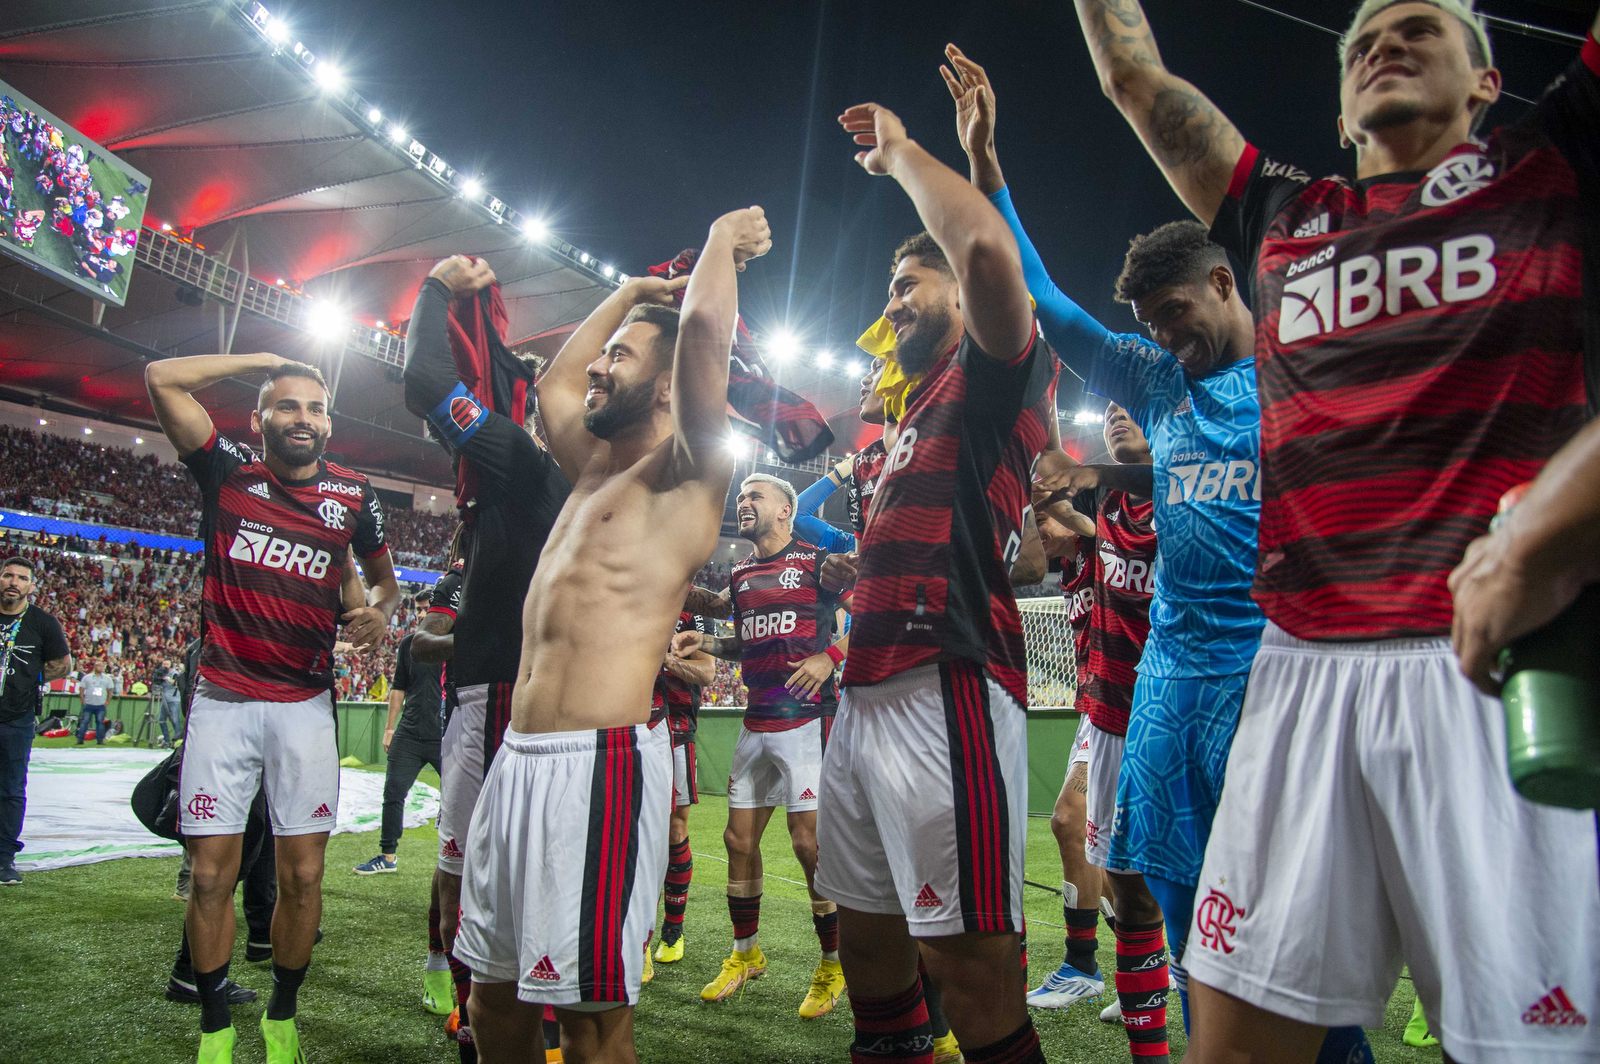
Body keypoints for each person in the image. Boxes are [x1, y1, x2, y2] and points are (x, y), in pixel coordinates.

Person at [1070, 2, 1600, 1060]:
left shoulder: (1549, 167)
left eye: (1420, 28)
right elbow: (1134, 77)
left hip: (1478, 668)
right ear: (1343, 102)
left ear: (1487, 85)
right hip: (1299, 669)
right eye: (1361, 41)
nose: (1381, 44)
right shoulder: (1284, 215)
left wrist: (1542, 524)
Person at [453, 204, 769, 1064]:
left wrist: (713, 244)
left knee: (593, 1029)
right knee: (495, 1001)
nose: (598, 368)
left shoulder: (690, 475)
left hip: (596, 769)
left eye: (620, 358)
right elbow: (556, 383)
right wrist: (627, 293)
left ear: (667, 387)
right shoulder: (592, 465)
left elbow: (703, 333)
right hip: (518, 760)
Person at [817, 93, 1059, 1064]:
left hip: (945, 684)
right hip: (863, 693)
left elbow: (994, 259)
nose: (892, 297)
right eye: (887, 284)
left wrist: (907, 154)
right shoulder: (901, 416)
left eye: (915, 280)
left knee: (970, 968)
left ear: (964, 300)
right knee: (870, 951)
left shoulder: (996, 380)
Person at [145, 352, 400, 1064]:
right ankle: (215, 1028)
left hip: (304, 706)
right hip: (222, 701)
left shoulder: (353, 495)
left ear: (328, 423)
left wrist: (381, 613)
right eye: (286, 406)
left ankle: (282, 1015)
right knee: (208, 876)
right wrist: (269, 358)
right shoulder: (226, 474)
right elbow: (161, 377)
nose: (304, 419)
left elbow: (384, 585)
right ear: (258, 420)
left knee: (304, 876)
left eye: (316, 408)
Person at [402, 255, 576, 1060]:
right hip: (564, 707)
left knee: (480, 874)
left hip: (502, 699)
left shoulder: (516, 459)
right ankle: (501, 1011)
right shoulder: (590, 483)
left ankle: (480, 1019)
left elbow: (427, 382)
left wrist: (437, 287)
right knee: (529, 881)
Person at [671, 473, 850, 1018]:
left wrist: (829, 658)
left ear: (785, 512)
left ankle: (833, 963)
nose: (743, 502)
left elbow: (875, 616)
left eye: (756, 496)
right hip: (758, 718)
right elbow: (746, 642)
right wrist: (709, 642)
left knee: (807, 846)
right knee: (737, 840)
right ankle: (745, 953)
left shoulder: (819, 561)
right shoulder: (743, 572)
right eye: (741, 495)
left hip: (806, 722)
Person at [1027, 402, 1157, 1032]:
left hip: (1163, 701)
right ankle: (1101, 960)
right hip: (1101, 707)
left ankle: (1122, 960)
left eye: (1046, 522)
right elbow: (1053, 497)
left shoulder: (1110, 525)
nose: (1040, 530)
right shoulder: (1086, 548)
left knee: (1129, 851)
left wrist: (1075, 477)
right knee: (1082, 830)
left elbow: (1069, 500)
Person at [409, 555, 465, 1021]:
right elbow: (423, 642)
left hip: (530, 718)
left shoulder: (539, 558)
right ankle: (438, 966)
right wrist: (475, 637)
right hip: (470, 713)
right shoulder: (458, 578)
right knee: (455, 856)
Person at [649, 607, 716, 967]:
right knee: (635, 833)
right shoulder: (629, 595)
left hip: (676, 729)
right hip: (629, 725)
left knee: (675, 828)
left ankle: (672, 930)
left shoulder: (693, 615)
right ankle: (638, 934)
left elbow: (707, 672)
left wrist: (666, 661)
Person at [352, 616, 443, 878]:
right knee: (393, 793)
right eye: (419, 609)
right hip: (410, 733)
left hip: (445, 734)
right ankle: (387, 855)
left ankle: (461, 855)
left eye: (428, 609)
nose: (423, 614)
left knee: (460, 799)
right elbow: (398, 688)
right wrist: (390, 728)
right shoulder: (409, 644)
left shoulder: (453, 644)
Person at [0, 556, 71, 886]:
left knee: (11, 789)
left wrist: (33, 676)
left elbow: (63, 664)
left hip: (16, 718)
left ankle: (3, 857)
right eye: (8, 575)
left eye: (21, 578)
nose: (13, 581)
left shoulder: (42, 623)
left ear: (31, 586)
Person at [76, 660, 118, 745]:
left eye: (102, 666)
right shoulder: (87, 677)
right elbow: (81, 690)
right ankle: (80, 739)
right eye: (99, 666)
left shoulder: (107, 679)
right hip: (88, 704)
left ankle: (100, 740)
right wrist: (83, 701)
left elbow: (110, 691)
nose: (101, 668)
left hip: (100, 705)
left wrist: (107, 701)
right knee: (85, 721)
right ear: (95, 667)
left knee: (100, 722)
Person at [155, 658, 184, 746]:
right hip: (164, 700)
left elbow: (177, 683)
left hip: (174, 700)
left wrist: (167, 679)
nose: (165, 666)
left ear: (171, 665)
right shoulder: (162, 673)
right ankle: (166, 740)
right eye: (164, 664)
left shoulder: (175, 673)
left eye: (167, 664)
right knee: (161, 720)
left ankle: (177, 740)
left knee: (175, 720)